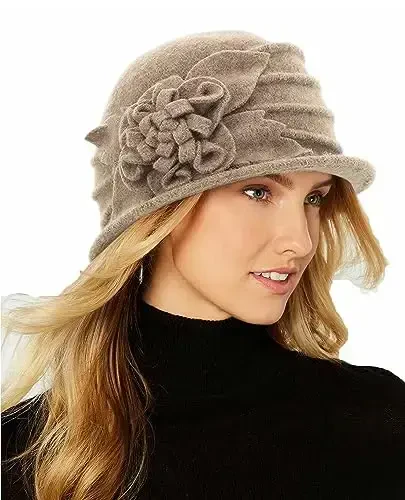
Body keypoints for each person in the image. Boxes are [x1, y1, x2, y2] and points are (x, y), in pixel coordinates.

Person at [2, 30, 405, 500]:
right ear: (162, 211)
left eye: (314, 198)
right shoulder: (27, 451)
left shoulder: (376, 422)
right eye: (257, 191)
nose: (300, 241)